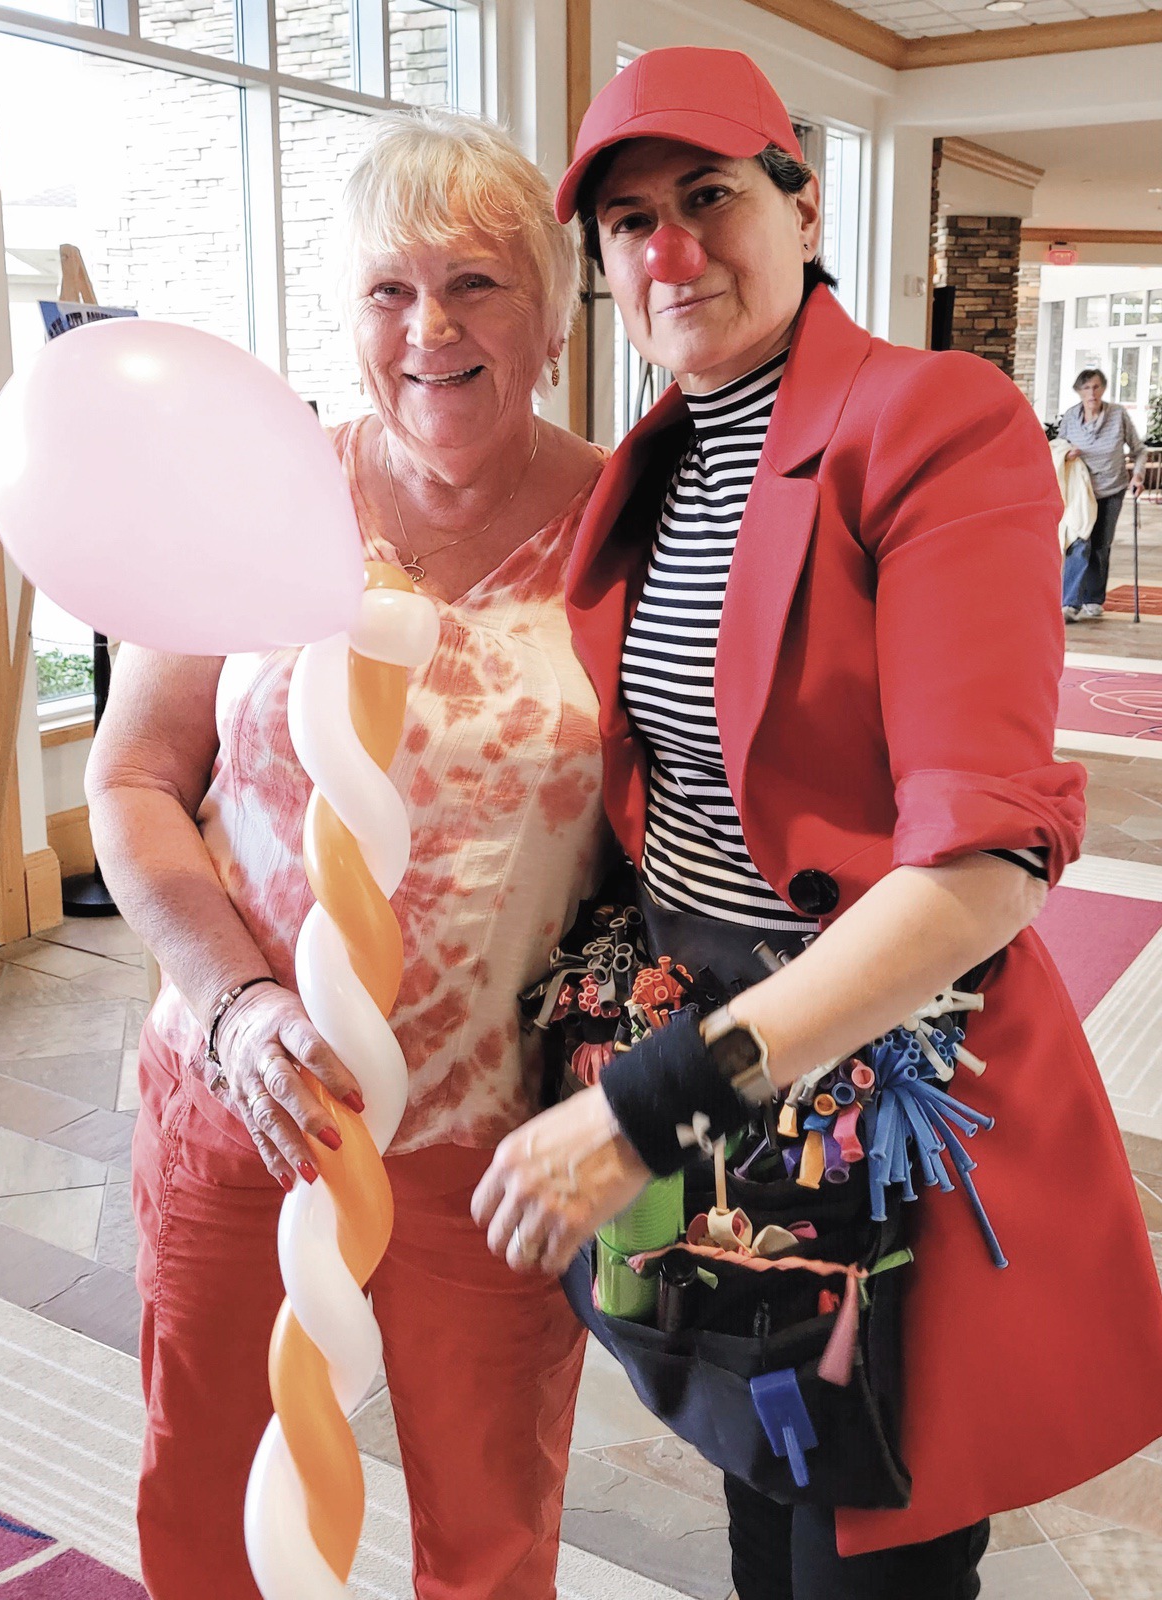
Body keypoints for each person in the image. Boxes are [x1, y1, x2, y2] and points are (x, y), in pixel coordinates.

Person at [473, 47, 1162, 1600]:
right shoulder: (651, 460)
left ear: (802, 202)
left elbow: (982, 868)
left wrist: (651, 1103)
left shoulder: (931, 421)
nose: (669, 249)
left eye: (708, 197)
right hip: (722, 1089)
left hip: (873, 1078)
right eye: (628, 221)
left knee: (873, 1540)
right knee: (760, 1472)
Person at [86, 107, 608, 1600]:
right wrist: (238, 1004)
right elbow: (131, 777)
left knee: (492, 1535)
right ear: (351, 318)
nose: (429, 327)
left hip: (495, 1139)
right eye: (390, 290)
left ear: (553, 318)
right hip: (241, 1095)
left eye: (477, 284)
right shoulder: (259, 500)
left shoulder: (628, 530)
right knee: (202, 1494)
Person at [1059, 367, 1147, 621]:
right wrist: (1066, 454)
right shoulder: (1071, 417)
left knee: (1100, 545)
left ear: (1104, 389)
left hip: (1111, 489)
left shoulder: (1118, 415)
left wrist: (1138, 475)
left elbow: (1140, 450)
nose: (1091, 392)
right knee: (1079, 542)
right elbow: (1058, 448)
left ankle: (1093, 598)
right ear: (1078, 392)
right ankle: (1070, 603)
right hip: (1080, 491)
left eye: (1096, 387)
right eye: (1086, 388)